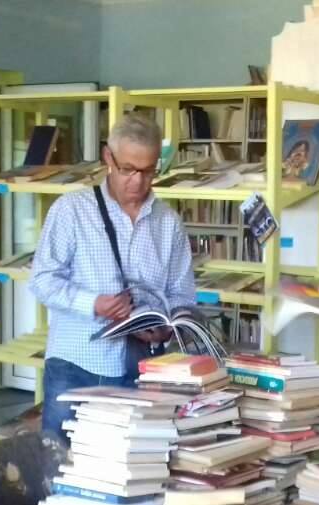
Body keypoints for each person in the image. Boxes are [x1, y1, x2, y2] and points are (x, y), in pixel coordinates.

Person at [29, 114, 195, 441]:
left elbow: (182, 294)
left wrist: (165, 326)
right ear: (108, 157)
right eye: (128, 169)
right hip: (75, 364)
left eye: (148, 171)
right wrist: (94, 304)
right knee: (60, 458)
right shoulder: (72, 210)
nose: (138, 182)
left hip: (142, 368)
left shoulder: (168, 223)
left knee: (133, 459)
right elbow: (42, 280)